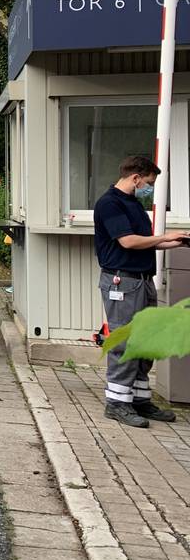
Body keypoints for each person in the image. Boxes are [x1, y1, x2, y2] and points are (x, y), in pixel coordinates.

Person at [93, 156, 189, 428]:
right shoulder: (109, 203)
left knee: (146, 340)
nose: (148, 188)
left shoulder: (133, 204)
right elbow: (128, 241)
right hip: (122, 282)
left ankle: (138, 399)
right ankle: (117, 403)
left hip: (142, 280)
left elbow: (144, 244)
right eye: (148, 183)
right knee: (125, 341)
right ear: (136, 177)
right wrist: (165, 236)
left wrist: (176, 242)